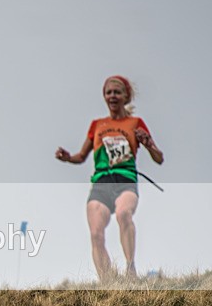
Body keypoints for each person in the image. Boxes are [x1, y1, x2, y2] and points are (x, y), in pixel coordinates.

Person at [55, 75, 164, 281]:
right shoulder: (97, 125)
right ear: (104, 96)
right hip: (101, 182)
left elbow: (159, 158)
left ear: (126, 96)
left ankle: (130, 269)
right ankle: (107, 283)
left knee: (124, 214)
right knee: (96, 233)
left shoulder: (136, 123)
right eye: (108, 93)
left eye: (117, 92)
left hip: (125, 179)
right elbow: (81, 156)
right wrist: (68, 157)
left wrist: (149, 145)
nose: (112, 96)